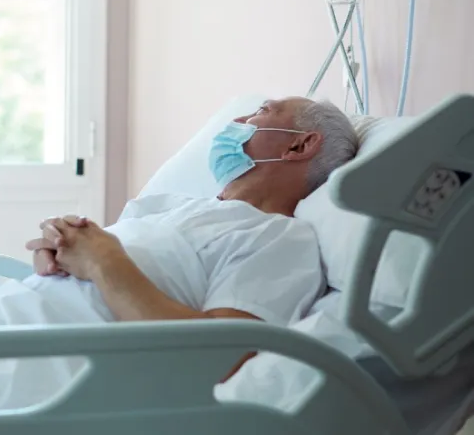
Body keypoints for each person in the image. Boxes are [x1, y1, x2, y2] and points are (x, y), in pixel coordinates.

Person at [26, 97, 359, 326]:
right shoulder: (168, 206)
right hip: (4, 324)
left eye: (262, 110)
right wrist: (61, 253)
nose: (238, 121)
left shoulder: (279, 239)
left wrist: (103, 261)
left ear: (299, 145)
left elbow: (218, 357)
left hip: (26, 366)